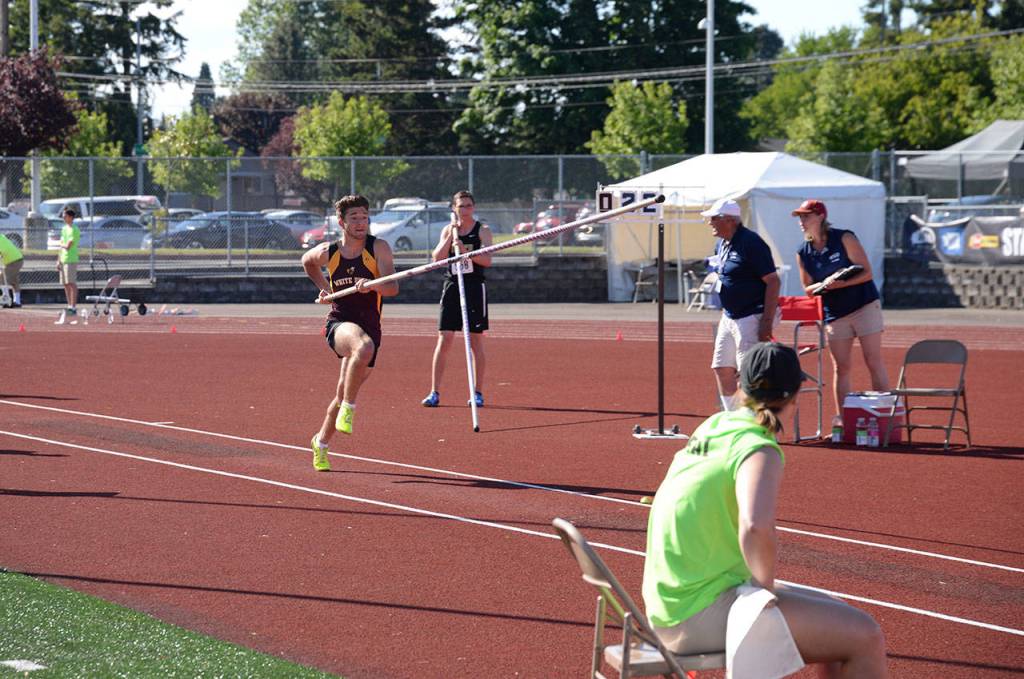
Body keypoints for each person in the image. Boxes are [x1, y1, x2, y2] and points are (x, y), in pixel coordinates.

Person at [643, 342, 888, 676]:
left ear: (742, 386)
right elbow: (755, 526)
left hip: (670, 604)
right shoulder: (757, 447)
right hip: (696, 615)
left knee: (837, 613)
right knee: (866, 636)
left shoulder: (714, 425)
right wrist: (764, 590)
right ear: (794, 396)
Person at [301, 195, 398, 472]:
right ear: (341, 222)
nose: (360, 222)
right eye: (354, 217)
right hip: (340, 323)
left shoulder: (378, 248)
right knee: (362, 347)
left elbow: (393, 288)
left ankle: (320, 443)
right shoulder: (330, 252)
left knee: (343, 391)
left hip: (371, 325)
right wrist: (325, 289)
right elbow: (307, 261)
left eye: (364, 217)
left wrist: (374, 285)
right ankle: (350, 408)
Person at [793, 199, 889, 417]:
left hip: (864, 305)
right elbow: (808, 289)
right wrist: (826, 283)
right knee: (841, 367)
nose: (801, 221)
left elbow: (867, 273)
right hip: (834, 313)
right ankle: (843, 421)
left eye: (806, 216)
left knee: (873, 361)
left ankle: (885, 417)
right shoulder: (803, 252)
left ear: (821, 216)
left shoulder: (844, 237)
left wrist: (842, 282)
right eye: (799, 217)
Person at [701, 198, 780, 411]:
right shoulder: (722, 243)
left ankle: (753, 419)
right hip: (729, 315)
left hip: (751, 315)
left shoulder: (751, 242)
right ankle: (733, 416)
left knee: (748, 372)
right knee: (721, 367)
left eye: (714, 218)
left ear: (729, 220)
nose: (709, 222)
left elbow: (773, 281)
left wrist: (766, 322)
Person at [421, 190, 493, 408]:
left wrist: (465, 251)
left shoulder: (482, 230)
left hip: (474, 287)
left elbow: (487, 260)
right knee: (444, 338)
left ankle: (477, 392)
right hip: (453, 285)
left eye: (469, 206)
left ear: (474, 207)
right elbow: (437, 258)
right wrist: (451, 237)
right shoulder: (448, 230)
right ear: (454, 208)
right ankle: (434, 392)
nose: (465, 210)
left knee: (475, 340)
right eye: (461, 206)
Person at [55, 207, 81, 324]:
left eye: (65, 216)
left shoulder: (74, 229)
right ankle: (69, 306)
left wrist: (62, 245)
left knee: (71, 283)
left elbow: (68, 246)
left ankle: (73, 307)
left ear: (70, 217)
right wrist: (58, 260)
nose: (63, 218)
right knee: (65, 284)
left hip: (71, 259)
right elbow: (61, 247)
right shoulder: (64, 229)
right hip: (63, 259)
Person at [0, 233, 24, 308]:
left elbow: (2, 252)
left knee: (1, 278)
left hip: (14, 261)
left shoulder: (1, 239)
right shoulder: (1, 237)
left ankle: (6, 300)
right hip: (15, 260)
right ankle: (17, 302)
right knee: (14, 282)